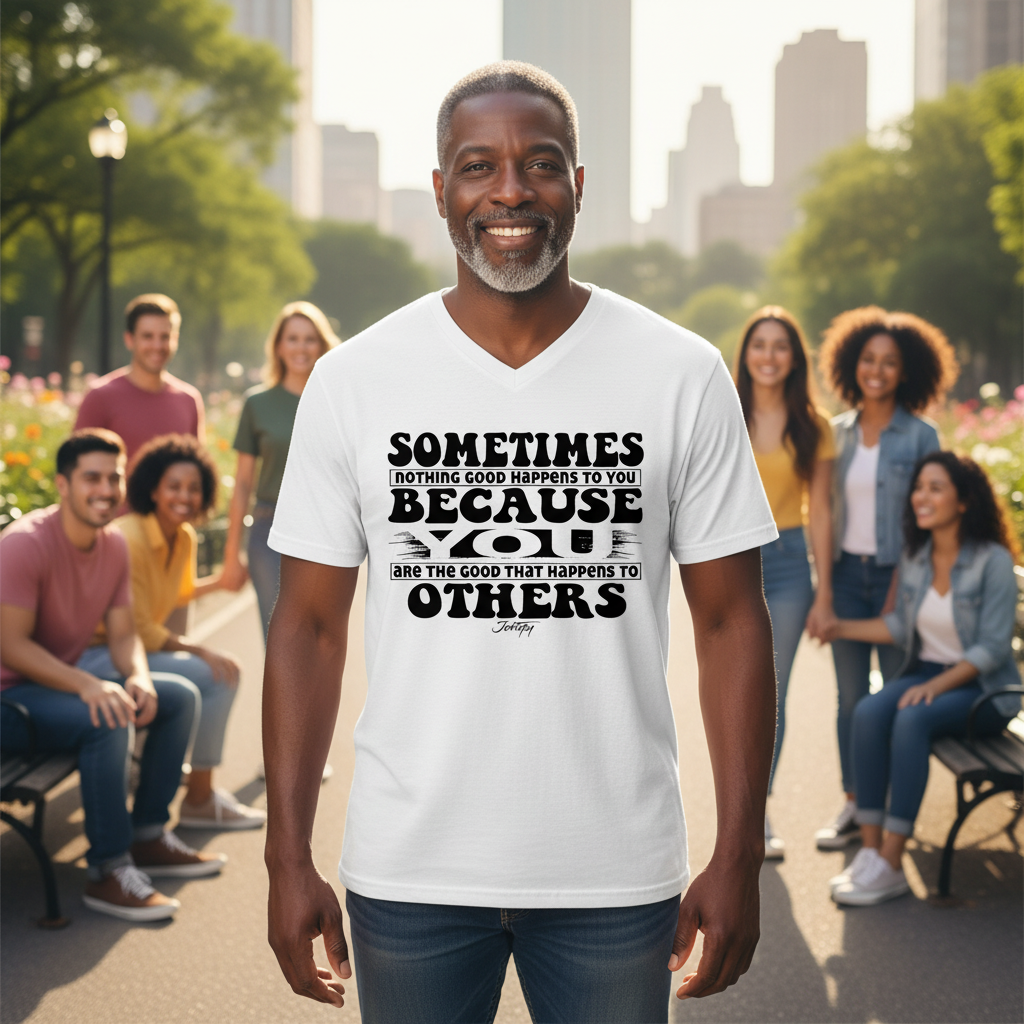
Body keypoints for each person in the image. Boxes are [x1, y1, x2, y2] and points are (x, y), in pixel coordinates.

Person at [263, 61, 779, 1023]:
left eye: (541, 163)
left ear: (579, 186)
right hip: (410, 871)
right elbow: (307, 629)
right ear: (440, 192)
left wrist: (738, 852)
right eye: (477, 166)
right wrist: (284, 856)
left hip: (615, 878)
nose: (510, 190)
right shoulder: (356, 381)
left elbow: (729, 618)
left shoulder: (681, 373)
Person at [0, 429, 226, 923]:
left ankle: (147, 837)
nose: (105, 489)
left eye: (114, 477)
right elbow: (10, 645)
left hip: (46, 689)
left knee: (178, 696)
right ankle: (108, 869)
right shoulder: (24, 546)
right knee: (107, 714)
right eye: (91, 478)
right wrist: (87, 684)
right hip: (8, 700)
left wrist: (140, 676)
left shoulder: (113, 547)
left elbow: (124, 637)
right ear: (63, 484)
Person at [822, 452, 1021, 905]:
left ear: (964, 500)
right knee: (869, 711)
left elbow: (991, 649)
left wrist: (935, 687)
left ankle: (893, 860)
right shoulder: (917, 555)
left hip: (982, 692)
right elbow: (897, 626)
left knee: (912, 718)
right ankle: (871, 853)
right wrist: (838, 627)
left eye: (935, 488)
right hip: (928, 675)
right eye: (918, 487)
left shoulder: (992, 562)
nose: (921, 497)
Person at [813, 306, 957, 852]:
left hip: (905, 581)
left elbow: (934, 518)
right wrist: (823, 592)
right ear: (853, 364)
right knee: (850, 699)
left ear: (906, 371)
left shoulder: (922, 436)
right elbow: (822, 512)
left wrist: (905, 584)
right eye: (868, 360)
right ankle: (856, 803)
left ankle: (891, 813)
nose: (877, 370)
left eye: (890, 363)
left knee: (897, 698)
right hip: (848, 580)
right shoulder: (837, 434)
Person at [81, 434, 266, 830]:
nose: (185, 496)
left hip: (130, 650)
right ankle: (199, 798)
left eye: (194, 488)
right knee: (217, 675)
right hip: (95, 653)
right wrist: (200, 650)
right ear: (153, 489)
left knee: (217, 673)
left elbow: (179, 592)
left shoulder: (182, 536)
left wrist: (222, 582)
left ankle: (198, 796)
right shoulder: (128, 537)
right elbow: (140, 627)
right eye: (174, 487)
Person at [733, 307, 835, 860]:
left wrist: (827, 591)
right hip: (735, 561)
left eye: (780, 347)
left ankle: (760, 814)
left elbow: (821, 512)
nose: (769, 356)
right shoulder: (726, 412)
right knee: (735, 686)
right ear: (746, 355)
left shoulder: (812, 426)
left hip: (793, 562)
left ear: (794, 358)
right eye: (759, 345)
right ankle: (740, 812)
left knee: (774, 692)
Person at [221, 302, 340, 639]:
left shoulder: (336, 401)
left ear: (321, 344)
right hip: (269, 527)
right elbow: (243, 483)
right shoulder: (257, 404)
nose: (301, 347)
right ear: (278, 346)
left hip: (325, 527)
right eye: (292, 338)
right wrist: (232, 555)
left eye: (309, 339)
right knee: (279, 634)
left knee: (320, 634)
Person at [74, 294, 205, 465]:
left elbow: (197, 471)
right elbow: (78, 471)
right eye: (147, 336)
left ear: (175, 339)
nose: (157, 346)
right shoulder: (100, 397)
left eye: (165, 337)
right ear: (129, 339)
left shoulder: (189, 400)